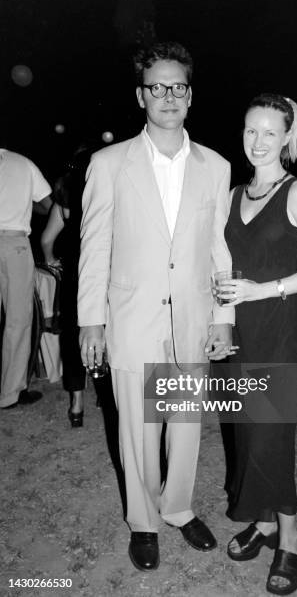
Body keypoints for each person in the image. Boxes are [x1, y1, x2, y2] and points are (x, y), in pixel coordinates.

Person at [77, 41, 234, 571]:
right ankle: (143, 522)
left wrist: (223, 316)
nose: (169, 95)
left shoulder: (216, 166)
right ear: (141, 96)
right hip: (132, 318)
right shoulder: (108, 163)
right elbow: (94, 247)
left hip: (190, 319)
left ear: (190, 95)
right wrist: (91, 321)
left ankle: (178, 507)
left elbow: (218, 249)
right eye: (157, 87)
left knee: (185, 424)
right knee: (139, 432)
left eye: (178, 86)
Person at [215, 93, 297, 595]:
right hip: (239, 328)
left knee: (271, 433)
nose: (258, 141)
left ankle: (291, 537)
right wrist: (219, 318)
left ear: (288, 136)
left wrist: (263, 289)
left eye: (270, 132)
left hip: (281, 326)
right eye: (250, 130)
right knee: (246, 428)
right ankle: (264, 523)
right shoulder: (232, 193)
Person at [41, 149, 92, 427]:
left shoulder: (65, 196)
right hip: (106, 272)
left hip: (75, 275)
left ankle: (76, 405)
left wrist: (50, 260)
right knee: (110, 331)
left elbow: (47, 238)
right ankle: (107, 396)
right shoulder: (105, 192)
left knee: (74, 336)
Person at [0, 148, 52, 408]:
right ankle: (10, 393)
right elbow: (47, 204)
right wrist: (22, 200)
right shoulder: (23, 162)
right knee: (17, 321)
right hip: (13, 244)